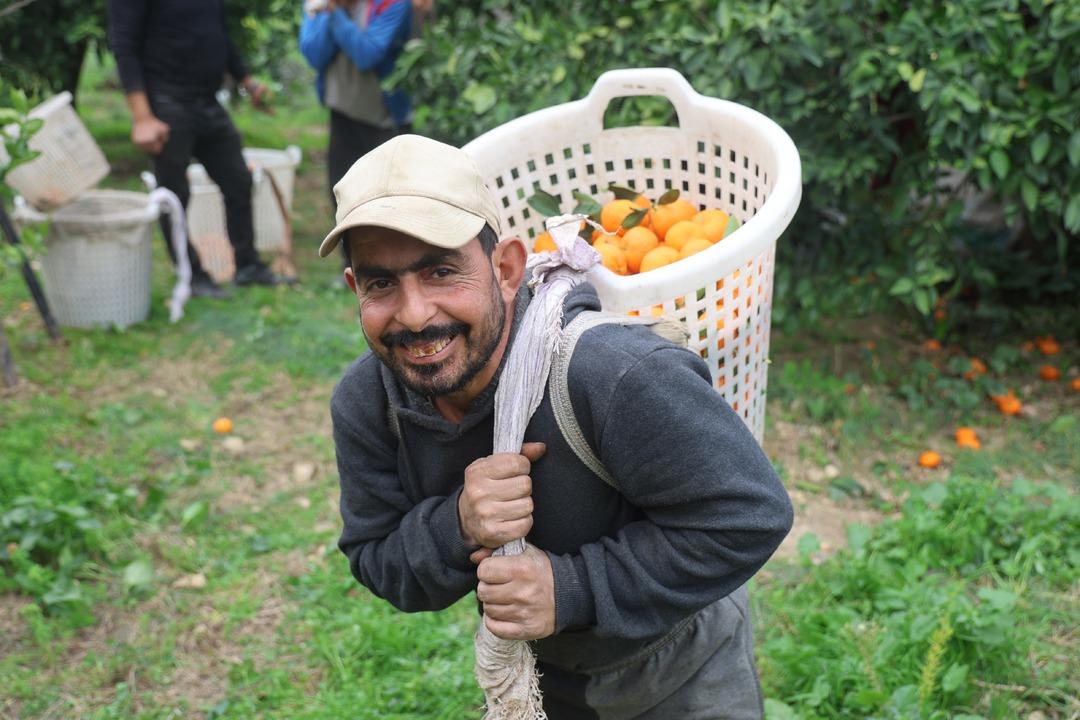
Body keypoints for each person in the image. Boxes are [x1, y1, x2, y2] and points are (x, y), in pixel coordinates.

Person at [320, 134, 793, 719]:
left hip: (679, 665)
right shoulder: (369, 403)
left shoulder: (611, 373)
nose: (415, 314)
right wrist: (459, 525)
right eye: (381, 284)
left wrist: (570, 588)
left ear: (507, 268)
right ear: (355, 289)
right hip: (544, 679)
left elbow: (748, 515)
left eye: (442, 271)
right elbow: (375, 555)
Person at [108, 0, 288, 297]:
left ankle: (247, 265)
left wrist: (248, 81)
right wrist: (142, 116)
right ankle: (192, 275)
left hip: (207, 101)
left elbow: (217, 34)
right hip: (165, 102)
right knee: (174, 195)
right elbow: (124, 48)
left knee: (238, 181)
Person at [298, 0, 416, 233]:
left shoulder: (393, 4)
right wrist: (331, 12)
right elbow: (314, 54)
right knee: (343, 195)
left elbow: (367, 54)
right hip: (343, 112)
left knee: (389, 201)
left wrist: (334, 13)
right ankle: (352, 264)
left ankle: (393, 265)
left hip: (384, 119)